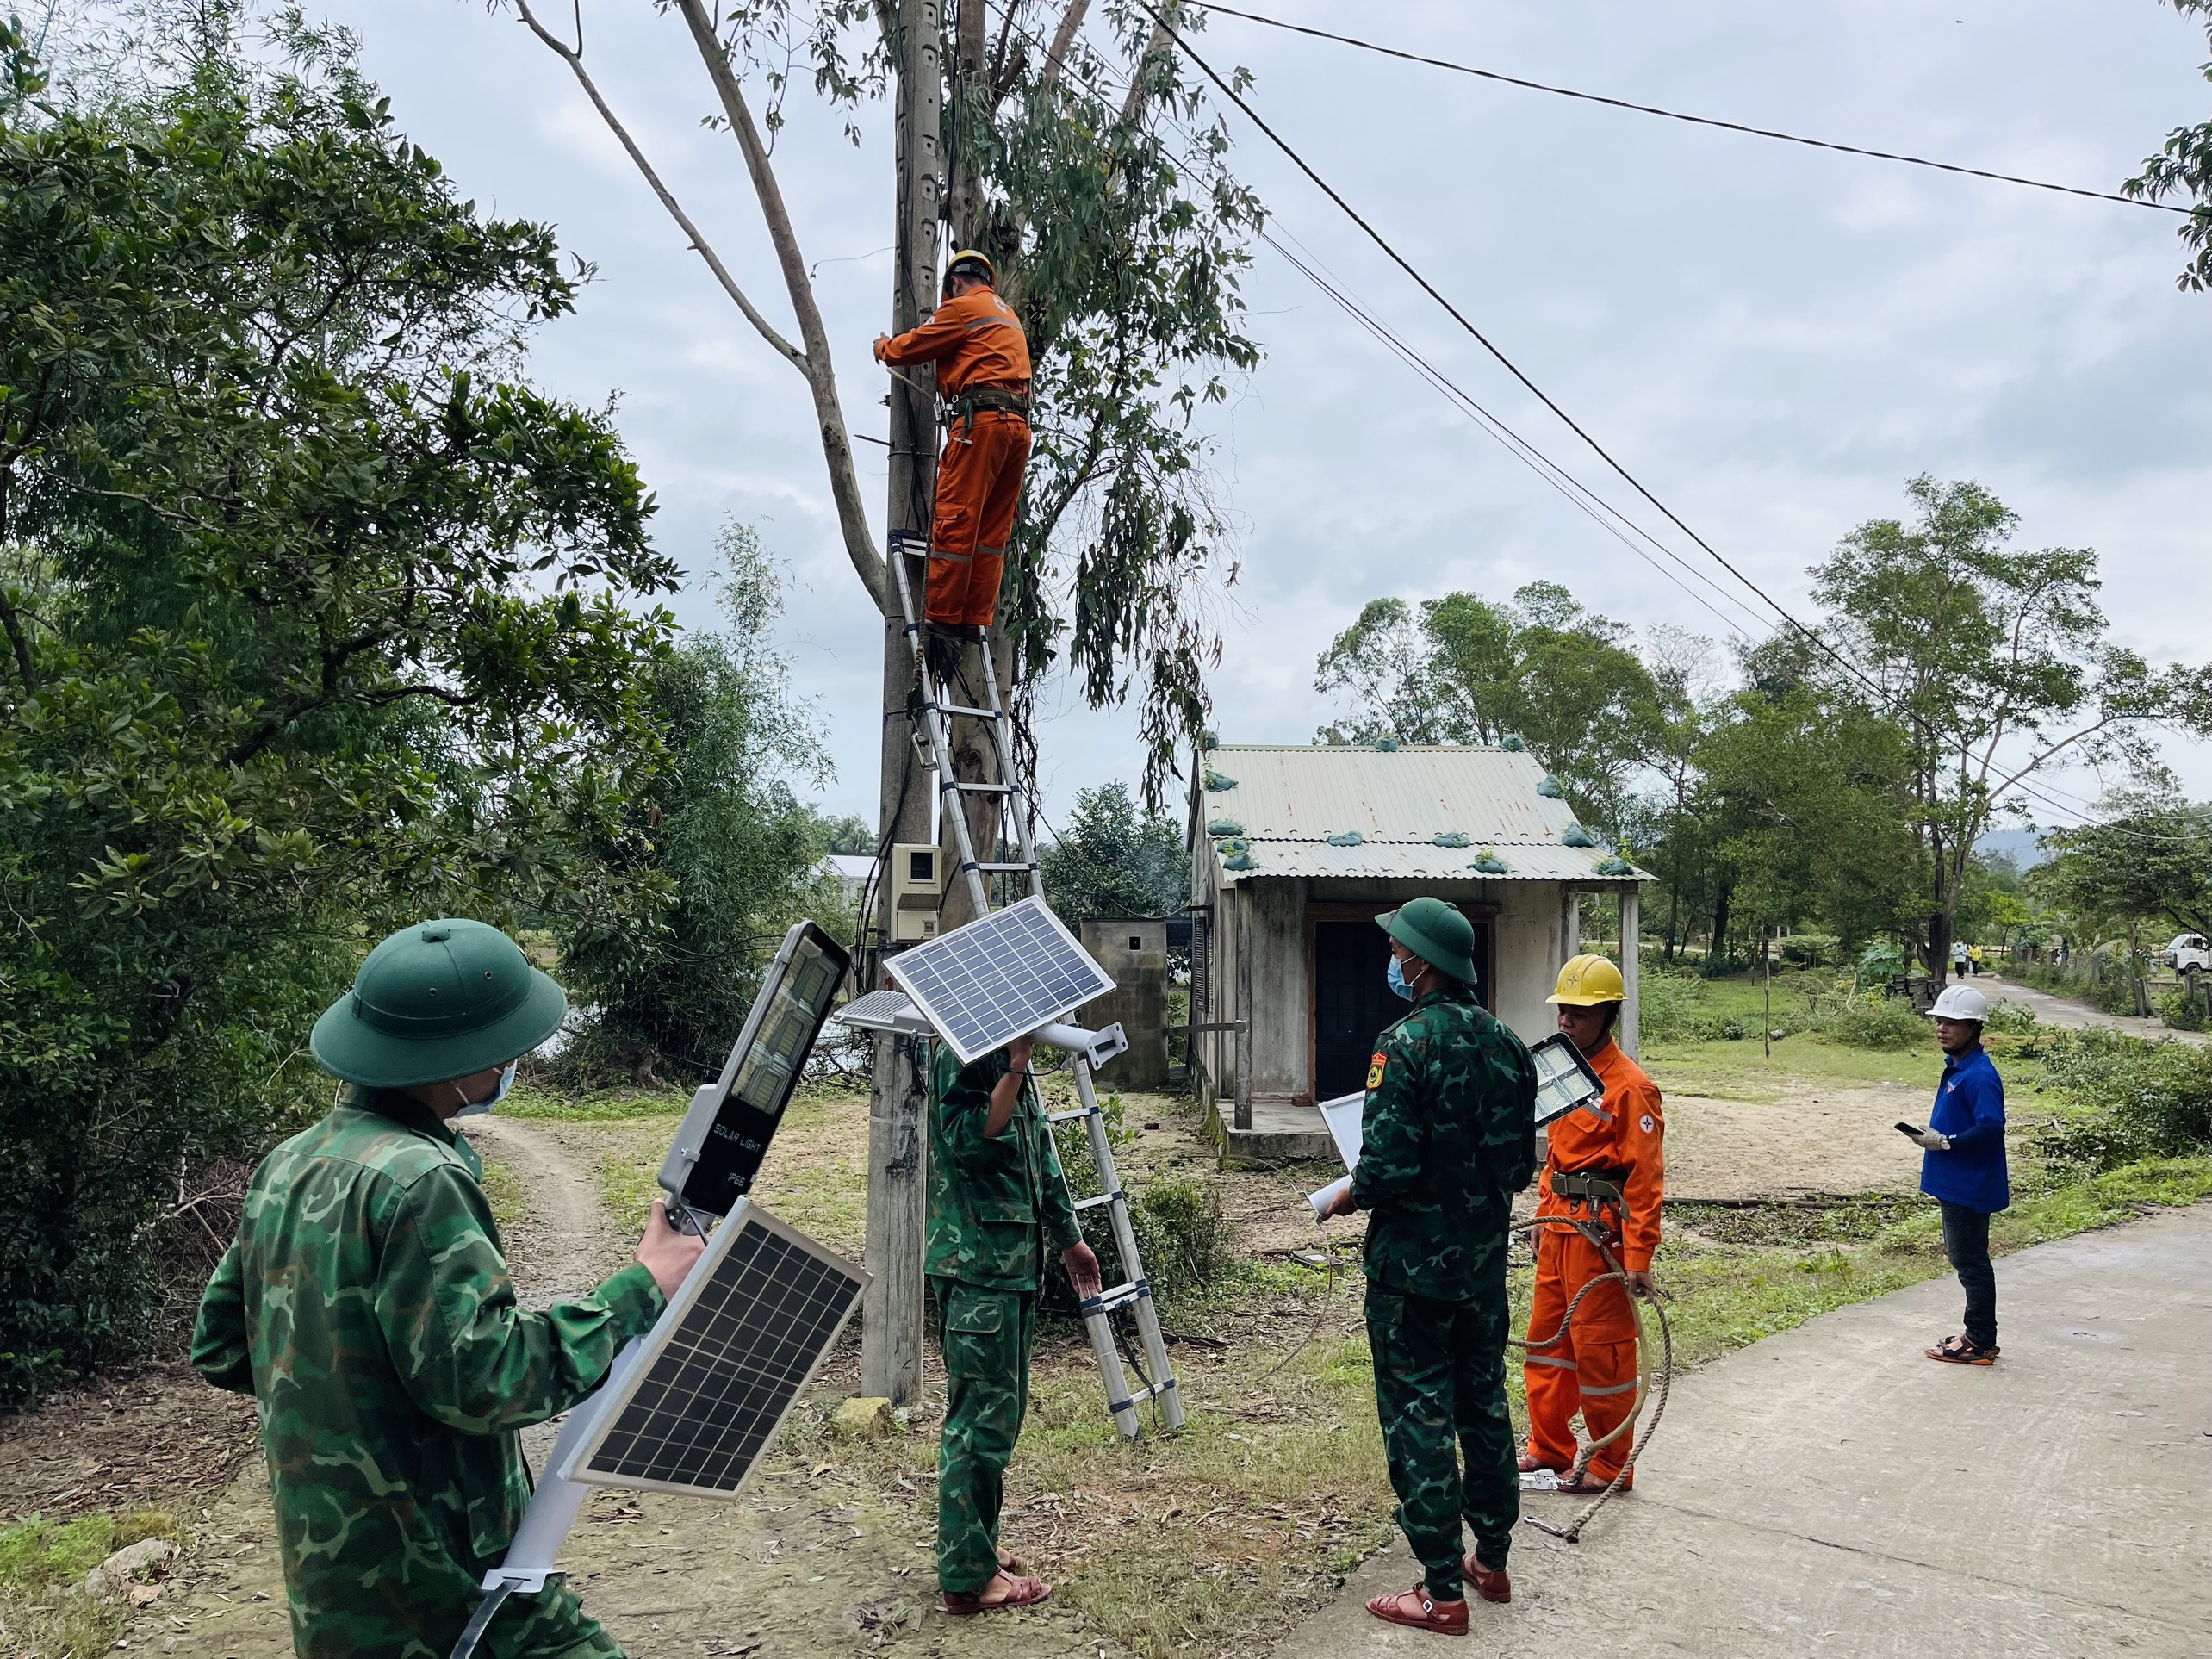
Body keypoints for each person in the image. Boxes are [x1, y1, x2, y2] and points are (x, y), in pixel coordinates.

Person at [192, 918, 704, 1659]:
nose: (511, 1063)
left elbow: (222, 1346)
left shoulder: (290, 1162)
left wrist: (349, 1397)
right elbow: (488, 1380)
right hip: (443, 1578)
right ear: (458, 1062)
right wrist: (641, 1286)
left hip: (332, 1575)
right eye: (506, 1050)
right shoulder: (423, 1181)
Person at [1321, 897, 1537, 1636]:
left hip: (1411, 1277)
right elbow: (1517, 1168)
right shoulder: (1509, 1046)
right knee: (1484, 1405)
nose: (1393, 958)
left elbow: (1383, 1168)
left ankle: (1441, 1589)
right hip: (1480, 1273)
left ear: (1418, 962)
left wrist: (1345, 1197)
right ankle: (1493, 1560)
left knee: (1419, 1414)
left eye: (1397, 948)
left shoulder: (1403, 1044)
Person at [927, 1030, 1103, 1615]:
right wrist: (1016, 1069)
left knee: (998, 1419)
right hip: (978, 1267)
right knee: (977, 1424)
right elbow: (970, 1140)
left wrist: (1070, 1239)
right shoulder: (960, 1050)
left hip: (1012, 1268)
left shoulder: (1007, 1054)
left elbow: (1040, 1155)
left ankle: (977, 1546)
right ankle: (967, 1578)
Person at [1520, 954, 1665, 1498]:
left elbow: (1645, 1179)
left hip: (1601, 1238)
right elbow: (1556, 1154)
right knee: (1547, 1345)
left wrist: (1637, 1258)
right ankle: (1547, 1447)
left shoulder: (1631, 1088)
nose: (1565, 1022)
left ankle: (1610, 1465)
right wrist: (1542, 1214)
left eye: (1577, 1014)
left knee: (1601, 1353)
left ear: (1606, 1015)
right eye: (1562, 1011)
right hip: (1559, 1229)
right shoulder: (1565, 1074)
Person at [873, 249, 1032, 641]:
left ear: (956, 283)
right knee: (991, 529)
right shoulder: (1006, 314)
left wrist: (883, 347)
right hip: (1018, 428)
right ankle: (973, 615)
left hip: (982, 425)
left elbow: (910, 348)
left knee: (958, 516)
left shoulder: (962, 308)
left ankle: (944, 613)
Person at [1904, 983, 2009, 1364]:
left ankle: (1980, 1341)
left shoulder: (1979, 1075)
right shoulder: (1959, 1068)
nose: (1942, 1029)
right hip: (1956, 1181)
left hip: (1969, 1183)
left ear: (1975, 1027)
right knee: (1965, 1258)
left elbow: (1990, 1127)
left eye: (1953, 1022)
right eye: (1939, 1021)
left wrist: (1946, 1142)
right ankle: (1978, 1335)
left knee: (1970, 1261)